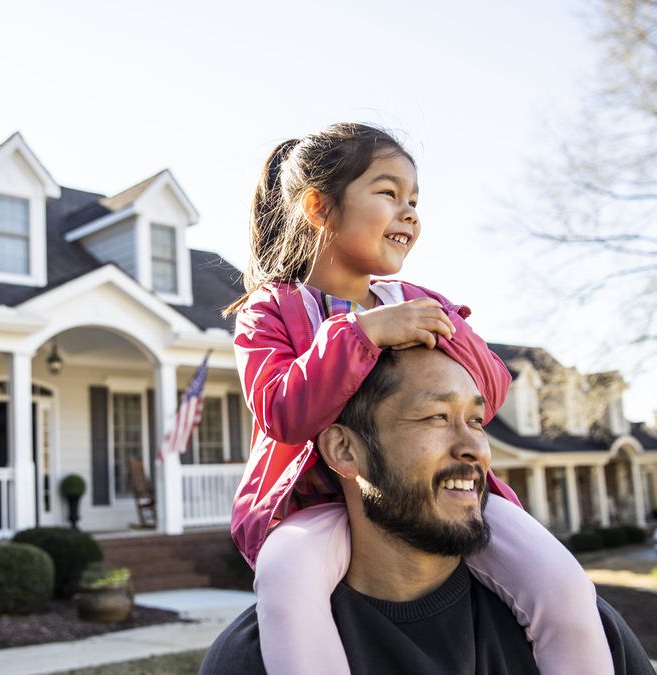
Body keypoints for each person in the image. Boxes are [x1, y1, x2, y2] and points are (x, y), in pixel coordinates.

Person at [224, 123, 612, 674]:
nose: (409, 213)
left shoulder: (421, 300)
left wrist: (442, 331)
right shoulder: (270, 311)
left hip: (442, 497)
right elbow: (282, 414)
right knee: (286, 575)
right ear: (318, 206)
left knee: (563, 581)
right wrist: (361, 334)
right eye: (388, 192)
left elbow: (492, 386)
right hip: (320, 505)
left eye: (414, 200)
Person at [202, 347, 655, 674]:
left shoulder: (580, 629)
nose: (474, 448)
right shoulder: (253, 660)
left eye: (476, 420)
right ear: (344, 449)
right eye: (436, 417)